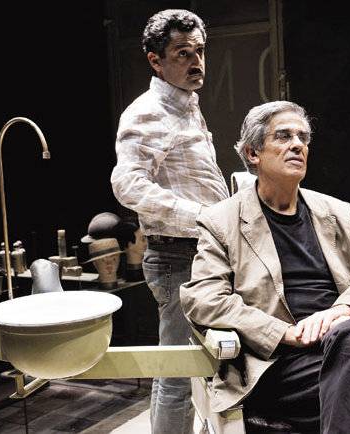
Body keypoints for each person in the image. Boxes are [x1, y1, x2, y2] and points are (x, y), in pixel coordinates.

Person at [181, 101, 350, 433]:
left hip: (346, 343)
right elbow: (204, 299)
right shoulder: (221, 221)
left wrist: (342, 311)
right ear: (253, 153)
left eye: (303, 137)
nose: (298, 145)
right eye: (284, 136)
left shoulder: (337, 213)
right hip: (281, 362)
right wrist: (284, 334)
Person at [110, 9, 229, 434]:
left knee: (190, 367)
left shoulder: (185, 106)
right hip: (178, 256)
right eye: (182, 53)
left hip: (199, 254)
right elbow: (127, 184)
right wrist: (201, 215)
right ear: (155, 60)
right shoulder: (148, 111)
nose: (196, 62)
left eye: (200, 51)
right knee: (178, 372)